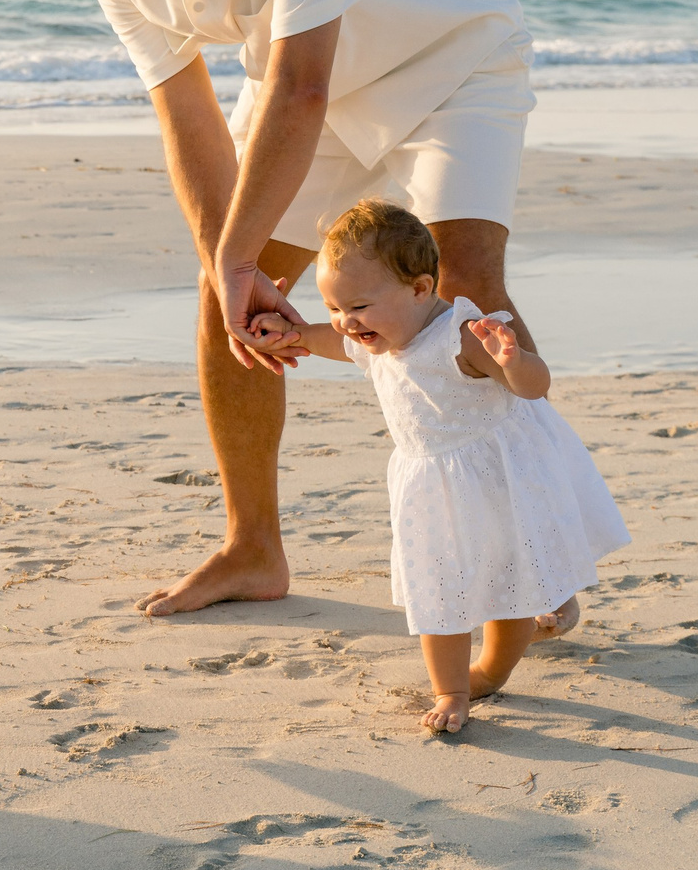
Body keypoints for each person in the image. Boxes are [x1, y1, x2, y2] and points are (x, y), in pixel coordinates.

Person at [24, 0, 537, 616]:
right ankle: (253, 548)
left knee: (464, 297)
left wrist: (234, 254)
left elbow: (301, 85)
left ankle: (533, 564)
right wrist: (228, 266)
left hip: (451, 58)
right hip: (318, 93)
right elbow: (183, 109)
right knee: (225, 283)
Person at [252, 200, 628, 733]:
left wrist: (514, 361)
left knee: (512, 582)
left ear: (420, 288)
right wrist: (285, 332)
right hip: (432, 486)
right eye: (336, 307)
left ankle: (492, 672)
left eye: (357, 306)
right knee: (439, 588)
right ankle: (451, 689)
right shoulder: (378, 337)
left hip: (502, 479)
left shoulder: (462, 335)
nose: (345, 322)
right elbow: (323, 339)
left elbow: (536, 388)